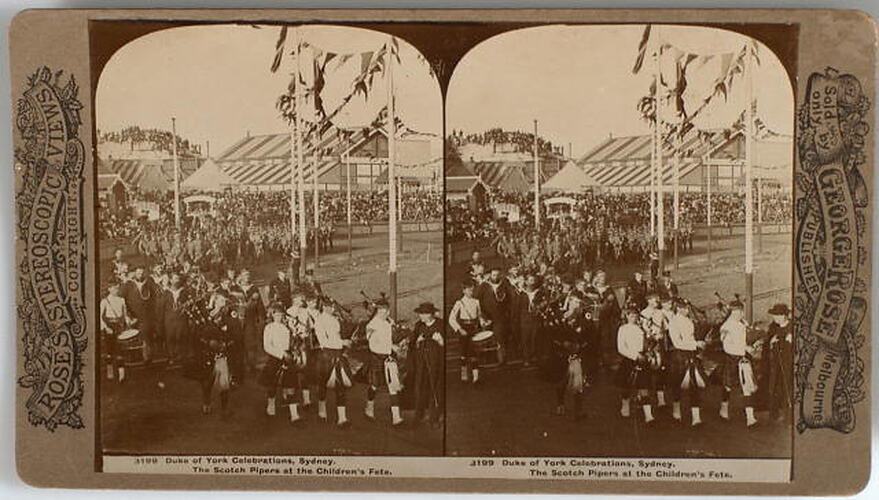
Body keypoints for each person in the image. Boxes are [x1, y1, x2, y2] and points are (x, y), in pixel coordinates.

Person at [364, 299, 404, 426]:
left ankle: (396, 417)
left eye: (388, 310)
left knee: (393, 386)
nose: (388, 313)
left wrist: (394, 344)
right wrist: (391, 347)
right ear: (379, 311)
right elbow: (372, 344)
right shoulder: (371, 325)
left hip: (388, 358)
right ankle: (369, 407)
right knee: (374, 385)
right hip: (376, 358)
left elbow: (389, 339)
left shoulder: (387, 323)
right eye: (386, 311)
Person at [259, 306, 303, 425]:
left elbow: (292, 342)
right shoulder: (269, 328)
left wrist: (293, 351)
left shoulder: (286, 327)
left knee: (291, 385)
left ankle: (294, 414)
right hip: (275, 357)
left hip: (288, 358)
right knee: (272, 384)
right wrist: (280, 354)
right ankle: (271, 405)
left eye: (281, 314)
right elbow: (267, 346)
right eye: (276, 314)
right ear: (272, 315)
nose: (279, 317)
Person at [719, 299, 758, 428]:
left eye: (742, 311)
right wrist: (745, 349)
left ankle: (750, 417)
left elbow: (745, 336)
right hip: (731, 359)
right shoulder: (726, 327)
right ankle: (723, 409)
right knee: (728, 386)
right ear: (734, 312)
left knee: (747, 386)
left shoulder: (741, 323)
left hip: (743, 359)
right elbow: (726, 347)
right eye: (740, 312)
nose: (742, 314)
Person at [667, 300, 706, 426]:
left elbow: (691, 337)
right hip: (679, 355)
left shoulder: (688, 320)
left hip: (691, 354)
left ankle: (696, 417)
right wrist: (695, 344)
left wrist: (699, 344)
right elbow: (677, 343)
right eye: (684, 308)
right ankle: (676, 410)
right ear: (678, 308)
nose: (687, 310)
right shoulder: (674, 322)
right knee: (677, 383)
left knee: (694, 384)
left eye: (687, 308)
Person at [196, 294, 236, 416]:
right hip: (209, 355)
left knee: (224, 384)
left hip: (222, 356)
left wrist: (227, 344)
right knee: (208, 381)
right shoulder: (206, 319)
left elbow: (233, 335)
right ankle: (206, 402)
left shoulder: (229, 318)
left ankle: (224, 408)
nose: (223, 303)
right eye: (221, 301)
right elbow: (200, 337)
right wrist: (210, 343)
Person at [314, 299, 351, 427]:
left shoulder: (335, 319)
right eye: (329, 307)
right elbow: (323, 342)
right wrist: (342, 343)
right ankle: (322, 411)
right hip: (326, 355)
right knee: (323, 384)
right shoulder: (319, 321)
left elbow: (337, 336)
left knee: (340, 385)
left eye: (333, 306)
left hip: (338, 354)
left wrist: (344, 342)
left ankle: (342, 418)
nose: (332, 309)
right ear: (324, 307)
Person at [408, 302, 444, 427]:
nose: (421, 316)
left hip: (435, 362)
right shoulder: (419, 326)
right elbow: (412, 345)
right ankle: (419, 415)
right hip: (421, 362)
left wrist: (440, 341)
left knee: (435, 388)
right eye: (420, 313)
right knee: (419, 388)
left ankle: (434, 417)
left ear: (431, 314)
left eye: (424, 314)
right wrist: (418, 342)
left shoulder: (440, 325)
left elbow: (445, 346)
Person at [616, 308, 654, 425]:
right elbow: (621, 348)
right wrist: (634, 356)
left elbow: (647, 343)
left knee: (644, 386)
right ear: (627, 316)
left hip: (642, 360)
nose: (634, 318)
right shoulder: (623, 329)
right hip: (629, 359)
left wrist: (648, 351)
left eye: (635, 315)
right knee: (626, 385)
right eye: (631, 316)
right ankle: (625, 405)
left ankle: (648, 415)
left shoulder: (641, 329)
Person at [448, 280, 484, 383]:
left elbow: (479, 315)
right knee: (464, 353)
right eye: (469, 290)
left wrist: (483, 322)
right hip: (463, 329)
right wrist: (459, 329)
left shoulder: (476, 302)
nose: (471, 292)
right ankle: (464, 376)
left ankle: (476, 377)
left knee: (474, 352)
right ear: (463, 290)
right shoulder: (459, 303)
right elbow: (451, 319)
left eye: (472, 290)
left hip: (474, 328)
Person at [122, 265, 158, 362]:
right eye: (138, 273)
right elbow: (123, 301)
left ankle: (147, 357)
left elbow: (154, 299)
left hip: (146, 316)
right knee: (136, 336)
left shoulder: (149, 283)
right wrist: (128, 315)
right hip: (134, 316)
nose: (140, 275)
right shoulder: (128, 285)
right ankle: (137, 357)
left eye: (142, 273)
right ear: (134, 273)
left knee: (147, 336)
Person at [763, 303, 792, 422]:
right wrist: (771, 342)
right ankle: (773, 414)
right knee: (773, 387)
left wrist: (791, 340)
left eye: (778, 315)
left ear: (785, 316)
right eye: (774, 315)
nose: (775, 318)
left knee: (787, 387)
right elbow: (767, 344)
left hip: (788, 363)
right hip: (775, 363)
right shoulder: (773, 327)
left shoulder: (792, 327)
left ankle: (788, 415)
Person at [476, 267, 512, 364]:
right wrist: (482, 316)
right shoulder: (484, 286)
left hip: (500, 317)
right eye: (493, 275)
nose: (495, 277)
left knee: (500, 338)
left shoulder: (504, 285)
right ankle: (488, 359)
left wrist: (507, 313)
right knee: (487, 338)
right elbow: (477, 301)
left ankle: (502, 359)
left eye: (497, 275)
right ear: (490, 275)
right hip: (487, 316)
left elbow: (510, 300)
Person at [99, 281, 130, 382]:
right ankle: (110, 372)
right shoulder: (104, 301)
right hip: (109, 326)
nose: (116, 290)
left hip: (119, 326)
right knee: (109, 351)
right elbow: (99, 317)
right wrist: (105, 327)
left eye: (117, 288)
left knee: (120, 350)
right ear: (109, 289)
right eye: (114, 288)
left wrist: (128, 320)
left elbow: (125, 315)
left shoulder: (122, 300)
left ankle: (122, 375)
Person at [159, 272, 189, 366]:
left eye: (178, 279)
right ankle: (171, 357)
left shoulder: (184, 292)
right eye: (175, 279)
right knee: (170, 337)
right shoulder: (166, 293)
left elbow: (188, 305)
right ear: (171, 280)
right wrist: (161, 321)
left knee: (180, 336)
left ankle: (180, 356)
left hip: (181, 319)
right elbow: (161, 307)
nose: (177, 281)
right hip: (169, 319)